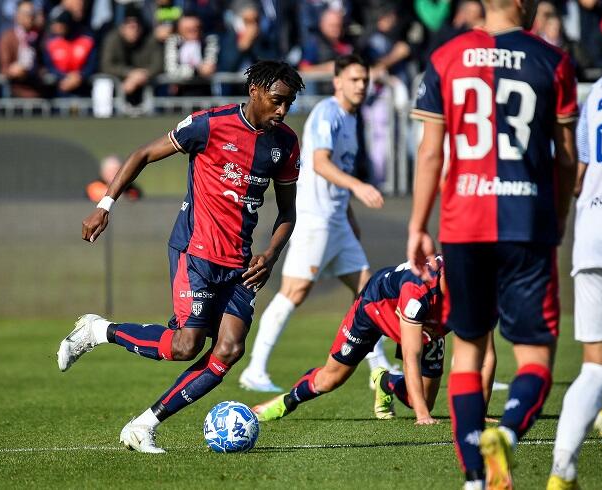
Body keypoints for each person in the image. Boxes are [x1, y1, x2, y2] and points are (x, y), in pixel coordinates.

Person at [56, 60, 305, 454]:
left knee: (229, 350)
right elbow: (142, 154)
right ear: (255, 91)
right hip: (196, 252)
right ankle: (98, 331)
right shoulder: (210, 124)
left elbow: (288, 212)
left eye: (288, 103)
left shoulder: (286, 144)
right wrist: (105, 205)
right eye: (277, 101)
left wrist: (272, 254)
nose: (283, 111)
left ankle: (142, 426)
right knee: (187, 345)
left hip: (241, 264)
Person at [406, 0, 579, 486]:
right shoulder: (553, 60)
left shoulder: (446, 56)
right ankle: (504, 432)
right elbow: (567, 160)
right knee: (536, 361)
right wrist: (559, 218)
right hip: (527, 222)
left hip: (463, 224)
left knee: (468, 350)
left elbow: (430, 151)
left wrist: (418, 224)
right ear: (524, 4)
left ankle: (474, 479)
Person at [238, 54, 388, 394]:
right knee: (295, 291)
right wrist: (358, 186)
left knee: (369, 292)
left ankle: (380, 367)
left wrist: (348, 216)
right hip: (315, 219)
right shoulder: (327, 113)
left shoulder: (352, 118)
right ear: (337, 82)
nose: (361, 86)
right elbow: (319, 163)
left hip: (337, 219)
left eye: (364, 80)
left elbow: (339, 170)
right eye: (354, 79)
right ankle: (255, 369)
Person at [253, 258, 498, 424]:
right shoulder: (418, 289)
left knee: (422, 399)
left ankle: (386, 381)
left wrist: (480, 413)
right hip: (376, 308)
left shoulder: (483, 294)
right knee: (332, 378)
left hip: (425, 324)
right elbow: (410, 356)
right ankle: (284, 403)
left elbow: (485, 356)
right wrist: (422, 418)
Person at [548, 20, 602, 489]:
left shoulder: (600, 87)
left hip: (595, 229)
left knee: (598, 366)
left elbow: (578, 170)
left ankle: (562, 473)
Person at [99, 8, 163, 106]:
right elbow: (106, 65)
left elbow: (158, 64)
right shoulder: (112, 39)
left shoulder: (149, 38)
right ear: (122, 27)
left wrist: (141, 76)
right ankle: (103, 118)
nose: (134, 30)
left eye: (137, 27)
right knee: (103, 84)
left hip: (145, 82)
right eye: (130, 27)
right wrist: (130, 73)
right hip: (119, 82)